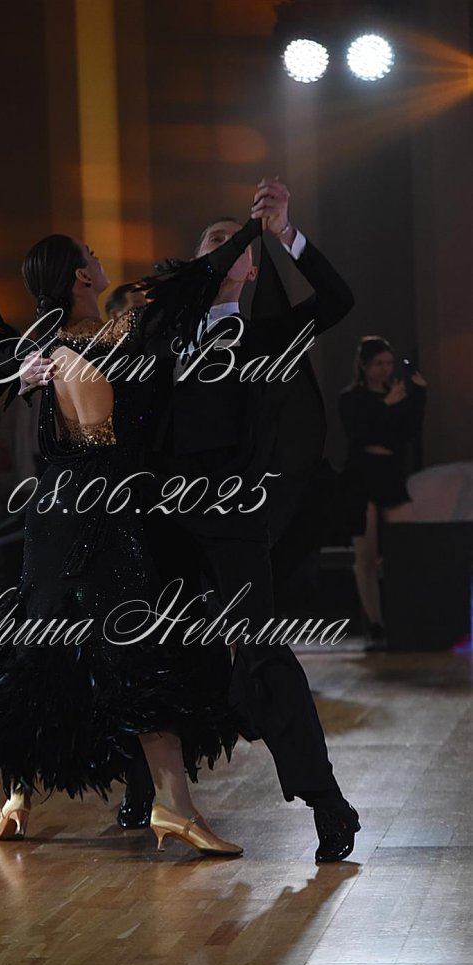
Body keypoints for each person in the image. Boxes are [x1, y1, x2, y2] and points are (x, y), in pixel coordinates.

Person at [0, 208, 267, 857]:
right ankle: (173, 806)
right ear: (81, 276)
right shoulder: (96, 336)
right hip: (98, 503)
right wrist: (251, 229)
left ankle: (19, 795)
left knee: (42, 641)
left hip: (60, 506)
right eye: (92, 254)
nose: (100, 259)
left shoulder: (58, 342)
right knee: (132, 647)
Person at [22, 178, 362, 863]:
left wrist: (286, 232)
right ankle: (144, 787)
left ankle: (325, 799)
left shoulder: (267, 334)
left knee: (261, 655)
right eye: (212, 239)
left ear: (251, 266)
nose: (224, 245)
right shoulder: (154, 328)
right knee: (148, 649)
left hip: (233, 523)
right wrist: (36, 370)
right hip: (159, 520)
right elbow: (84, 362)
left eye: (234, 241)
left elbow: (338, 300)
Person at [339, 336, 427, 649]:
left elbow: (409, 433)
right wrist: (384, 405)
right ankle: (375, 623)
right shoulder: (351, 398)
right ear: (364, 365)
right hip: (362, 474)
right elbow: (359, 433)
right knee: (365, 554)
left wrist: (418, 395)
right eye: (378, 363)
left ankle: (408, 619)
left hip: (390, 474)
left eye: (389, 363)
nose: (385, 369)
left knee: (409, 545)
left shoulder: (397, 394)